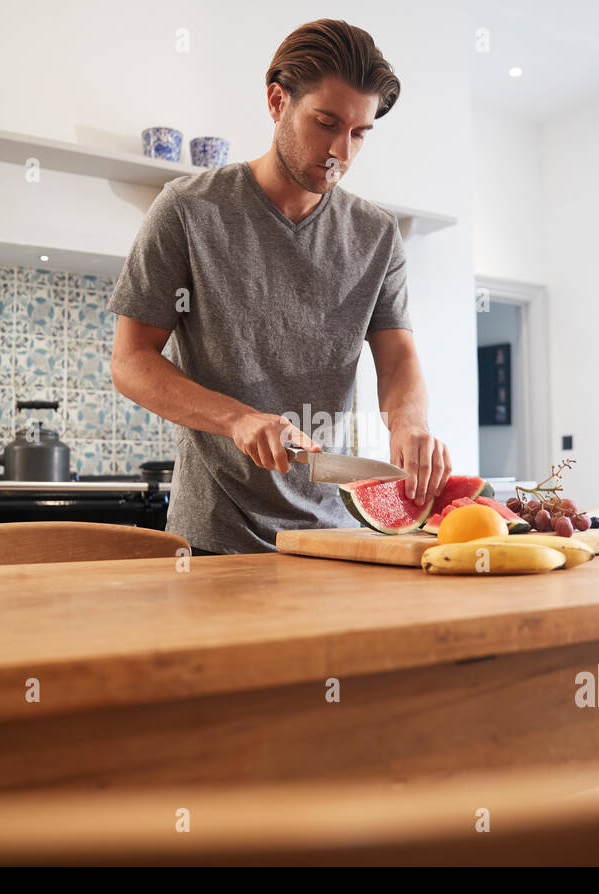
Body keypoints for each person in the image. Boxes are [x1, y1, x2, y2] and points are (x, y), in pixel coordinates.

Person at [109, 18, 451, 555]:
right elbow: (130, 361)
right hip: (210, 538)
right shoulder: (189, 210)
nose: (342, 150)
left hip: (333, 536)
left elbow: (398, 356)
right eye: (326, 122)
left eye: (360, 133)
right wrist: (237, 418)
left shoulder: (377, 235)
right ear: (277, 101)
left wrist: (409, 425)